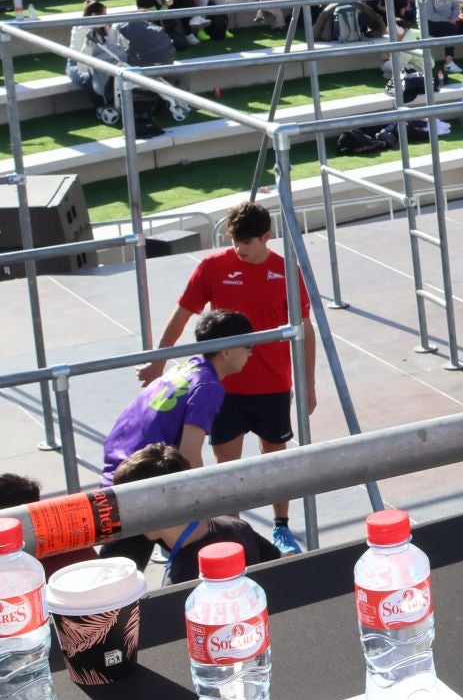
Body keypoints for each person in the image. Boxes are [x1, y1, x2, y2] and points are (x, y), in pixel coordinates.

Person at [137, 202, 316, 556]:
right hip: (224, 389)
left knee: (275, 461)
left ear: (266, 237)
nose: (239, 248)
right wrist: (159, 361)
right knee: (227, 467)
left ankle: (281, 526)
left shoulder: (286, 271)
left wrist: (308, 383)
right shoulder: (213, 267)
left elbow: (304, 329)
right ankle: (233, 533)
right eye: (234, 240)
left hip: (273, 386)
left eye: (247, 241)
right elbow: (182, 314)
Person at [100, 309, 254, 484]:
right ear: (226, 352)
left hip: (119, 469)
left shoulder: (186, 368)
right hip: (139, 479)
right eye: (248, 346)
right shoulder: (208, 387)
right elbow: (189, 455)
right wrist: (205, 495)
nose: (251, 353)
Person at [109, 443, 281, 585]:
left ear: (151, 509)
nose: (125, 518)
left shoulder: (179, 581)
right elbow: (281, 565)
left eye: (128, 508)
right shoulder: (235, 525)